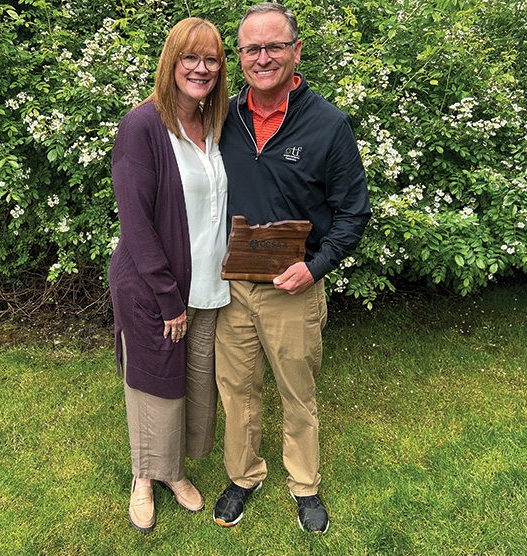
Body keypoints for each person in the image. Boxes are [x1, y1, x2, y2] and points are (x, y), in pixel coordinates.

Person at [212, 3, 372, 534]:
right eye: (252, 48)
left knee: (297, 393)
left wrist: (317, 267)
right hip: (232, 286)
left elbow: (354, 212)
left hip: (293, 288)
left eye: (274, 46)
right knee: (237, 390)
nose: (264, 57)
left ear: (296, 50)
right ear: (240, 58)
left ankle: (304, 484)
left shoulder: (328, 125)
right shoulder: (223, 118)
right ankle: (244, 474)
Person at [109, 17, 230, 533]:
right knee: (154, 384)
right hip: (156, 287)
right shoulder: (143, 126)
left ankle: (175, 471)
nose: (201, 68)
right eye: (190, 58)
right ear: (171, 62)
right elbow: (135, 221)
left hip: (209, 286)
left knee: (194, 384)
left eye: (211, 60)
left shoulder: (214, 123)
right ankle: (143, 476)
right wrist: (167, 297)